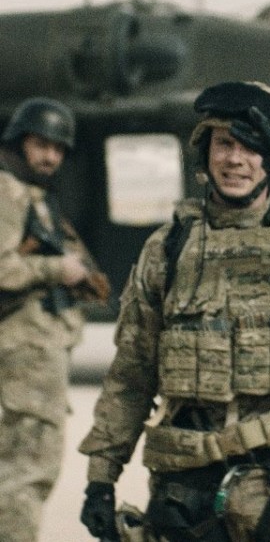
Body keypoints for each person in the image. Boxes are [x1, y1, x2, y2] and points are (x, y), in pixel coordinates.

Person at [78, 81, 270, 541]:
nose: (235, 160)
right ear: (204, 152)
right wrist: (101, 479)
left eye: (252, 146)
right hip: (186, 482)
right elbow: (132, 372)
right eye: (224, 144)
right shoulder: (168, 249)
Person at [0, 97, 109, 541]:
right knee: (27, 474)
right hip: (24, 351)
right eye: (41, 145)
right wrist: (56, 269)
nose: (50, 156)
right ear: (19, 142)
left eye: (58, 149)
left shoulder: (34, 193)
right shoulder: (8, 190)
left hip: (37, 352)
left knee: (26, 471)